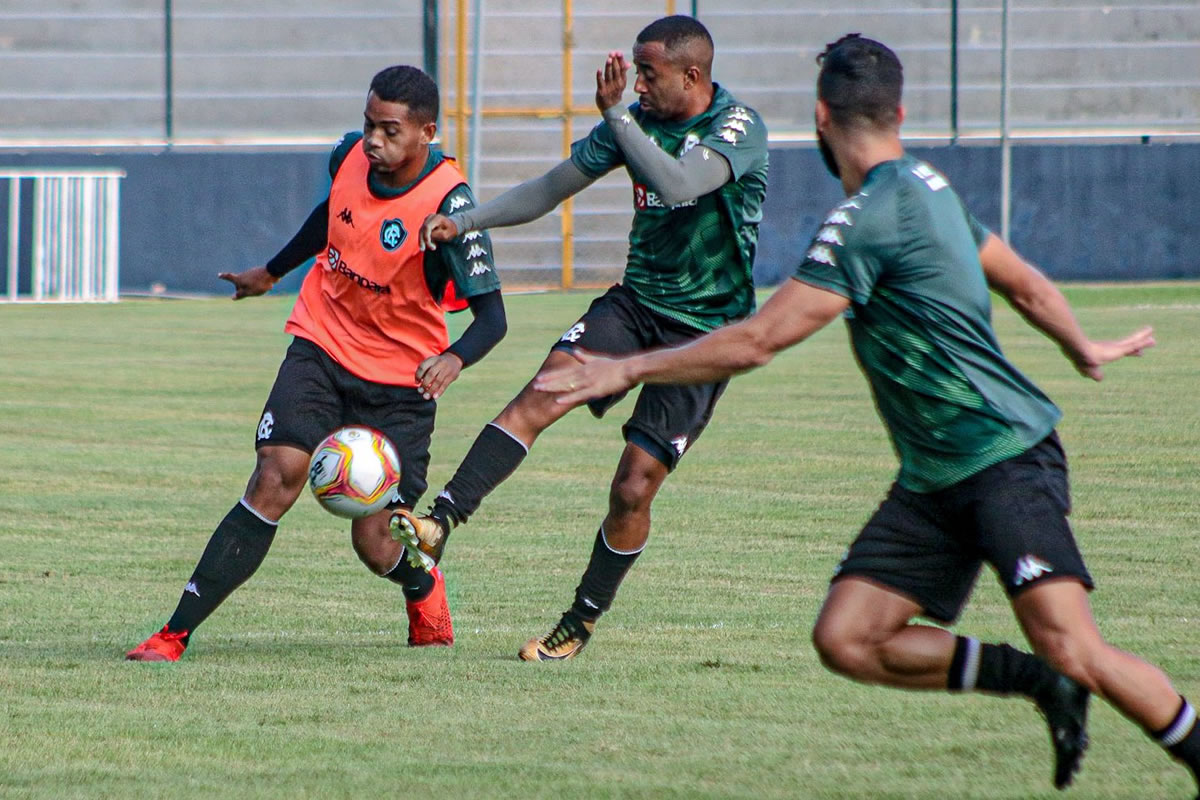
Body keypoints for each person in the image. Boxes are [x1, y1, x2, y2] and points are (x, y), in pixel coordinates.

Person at [533, 33, 1200, 795]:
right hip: (933, 478)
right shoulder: (930, 185)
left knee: (1075, 646)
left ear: (822, 118)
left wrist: (625, 366)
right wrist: (1080, 343)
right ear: (900, 112)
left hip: (1003, 457)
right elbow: (1024, 282)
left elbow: (757, 342)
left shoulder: (863, 220)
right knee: (847, 638)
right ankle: (1041, 684)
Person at [389, 15, 769, 661]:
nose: (639, 85)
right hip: (635, 305)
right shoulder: (630, 121)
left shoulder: (737, 127)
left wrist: (618, 116)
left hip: (704, 333)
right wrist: (466, 221)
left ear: (692, 75)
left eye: (649, 74)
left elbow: (680, 185)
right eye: (638, 75)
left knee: (633, 487)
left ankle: (580, 621)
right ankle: (440, 522)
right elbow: (547, 191)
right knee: (543, 391)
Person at [126, 65, 507, 661]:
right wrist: (272, 272)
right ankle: (174, 633)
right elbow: (332, 216)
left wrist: (454, 359)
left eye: (389, 131)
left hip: (398, 385)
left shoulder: (449, 206)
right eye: (367, 125)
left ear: (426, 132)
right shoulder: (349, 156)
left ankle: (420, 583)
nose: (373, 141)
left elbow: (493, 319)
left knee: (378, 544)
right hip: (322, 346)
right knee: (275, 476)